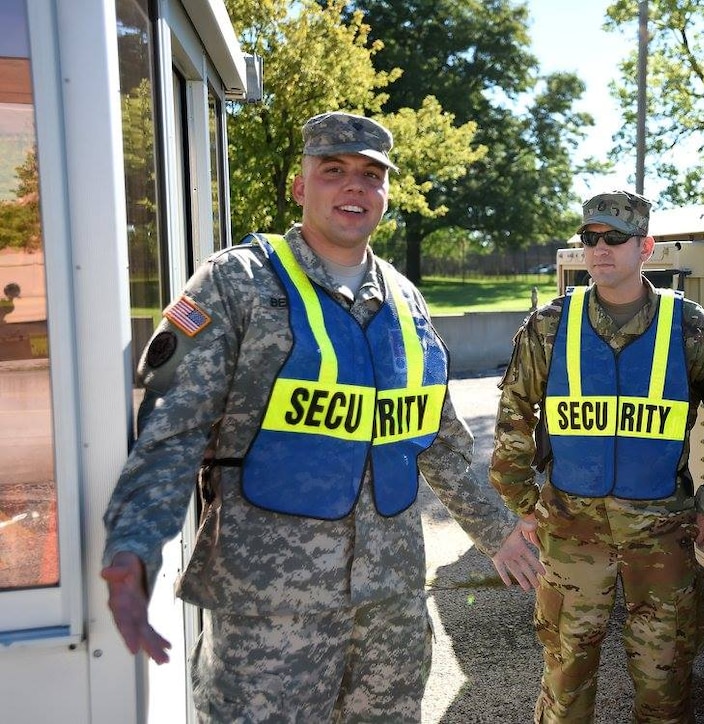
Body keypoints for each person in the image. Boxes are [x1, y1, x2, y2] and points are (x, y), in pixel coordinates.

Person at [100, 111, 543, 722]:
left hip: (391, 606)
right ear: (301, 187)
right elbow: (172, 427)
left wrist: (499, 532)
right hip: (271, 615)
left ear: (385, 193)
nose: (354, 187)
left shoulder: (405, 300)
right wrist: (135, 544)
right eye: (333, 171)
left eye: (370, 174)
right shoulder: (235, 283)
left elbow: (436, 442)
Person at [489, 190, 704, 723]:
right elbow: (514, 415)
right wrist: (523, 502)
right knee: (566, 674)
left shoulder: (690, 327)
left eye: (615, 238)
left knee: (665, 679)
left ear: (646, 247)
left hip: (660, 531)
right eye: (590, 239)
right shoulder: (549, 326)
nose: (600, 249)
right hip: (570, 530)